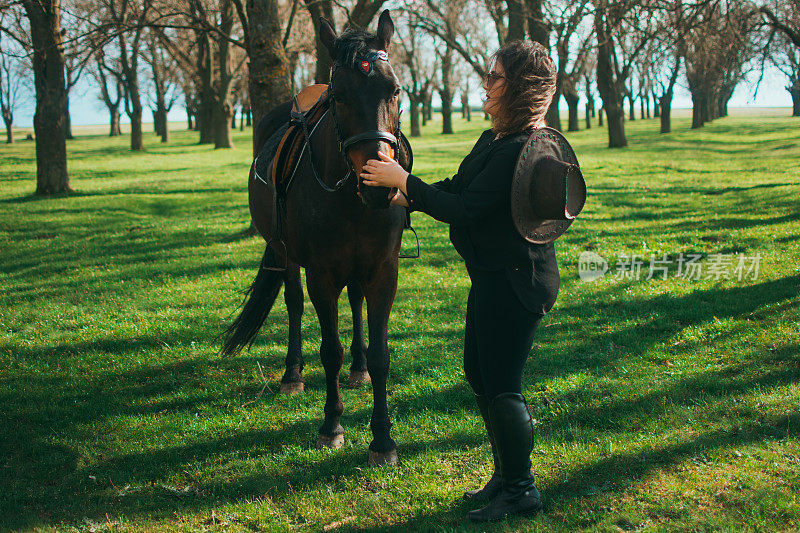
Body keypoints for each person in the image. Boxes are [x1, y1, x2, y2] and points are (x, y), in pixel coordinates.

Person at [361, 40, 561, 522]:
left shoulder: (518, 149)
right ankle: (506, 475)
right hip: (492, 276)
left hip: (517, 283)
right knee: (479, 373)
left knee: (503, 385)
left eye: (495, 78)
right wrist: (404, 192)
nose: (486, 85)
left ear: (520, 89)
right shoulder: (493, 139)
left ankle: (522, 490)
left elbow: (466, 210)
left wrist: (403, 182)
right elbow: (458, 188)